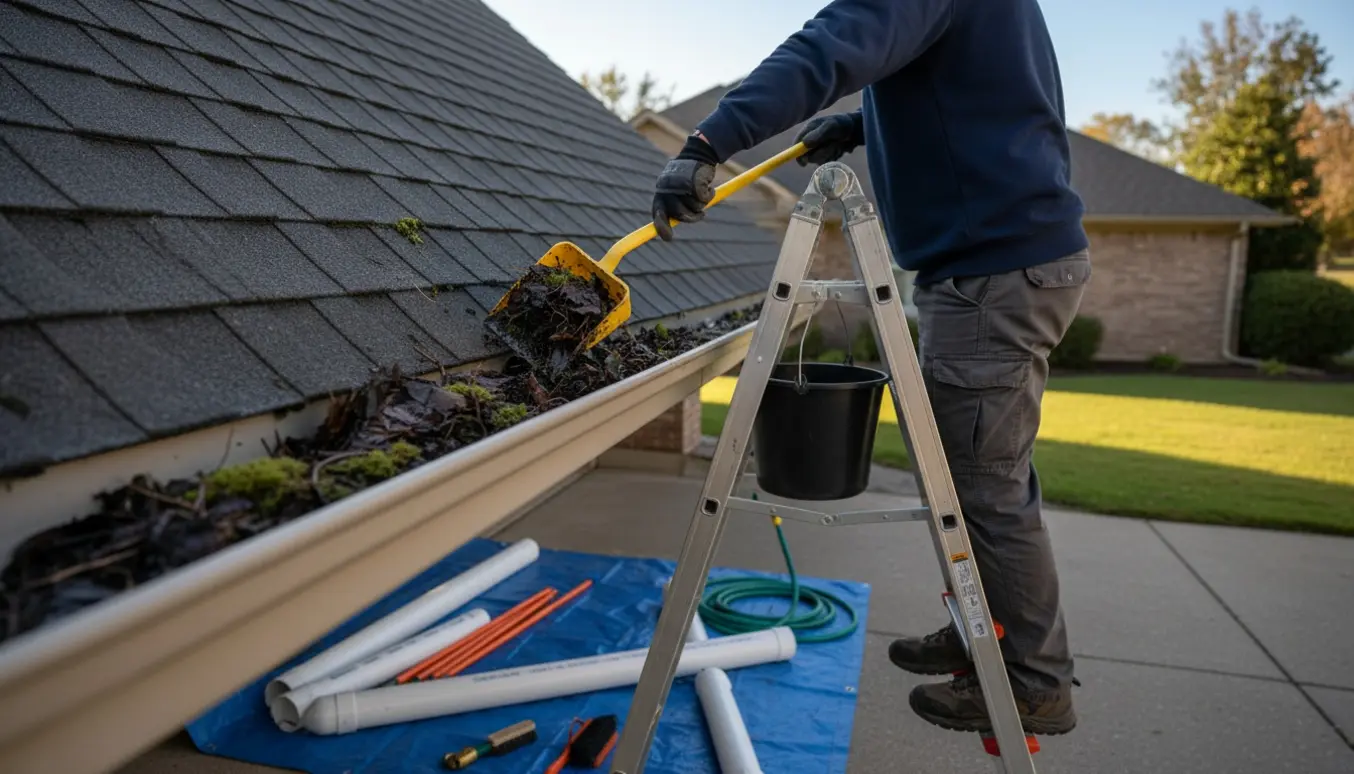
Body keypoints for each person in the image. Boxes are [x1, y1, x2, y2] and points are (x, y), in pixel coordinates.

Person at [649, 0, 1090, 737]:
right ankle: (987, 631)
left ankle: (1033, 683)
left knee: (983, 483)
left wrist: (709, 140)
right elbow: (971, 90)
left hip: (995, 270)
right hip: (998, 263)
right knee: (971, 476)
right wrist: (862, 125)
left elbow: (832, 45)